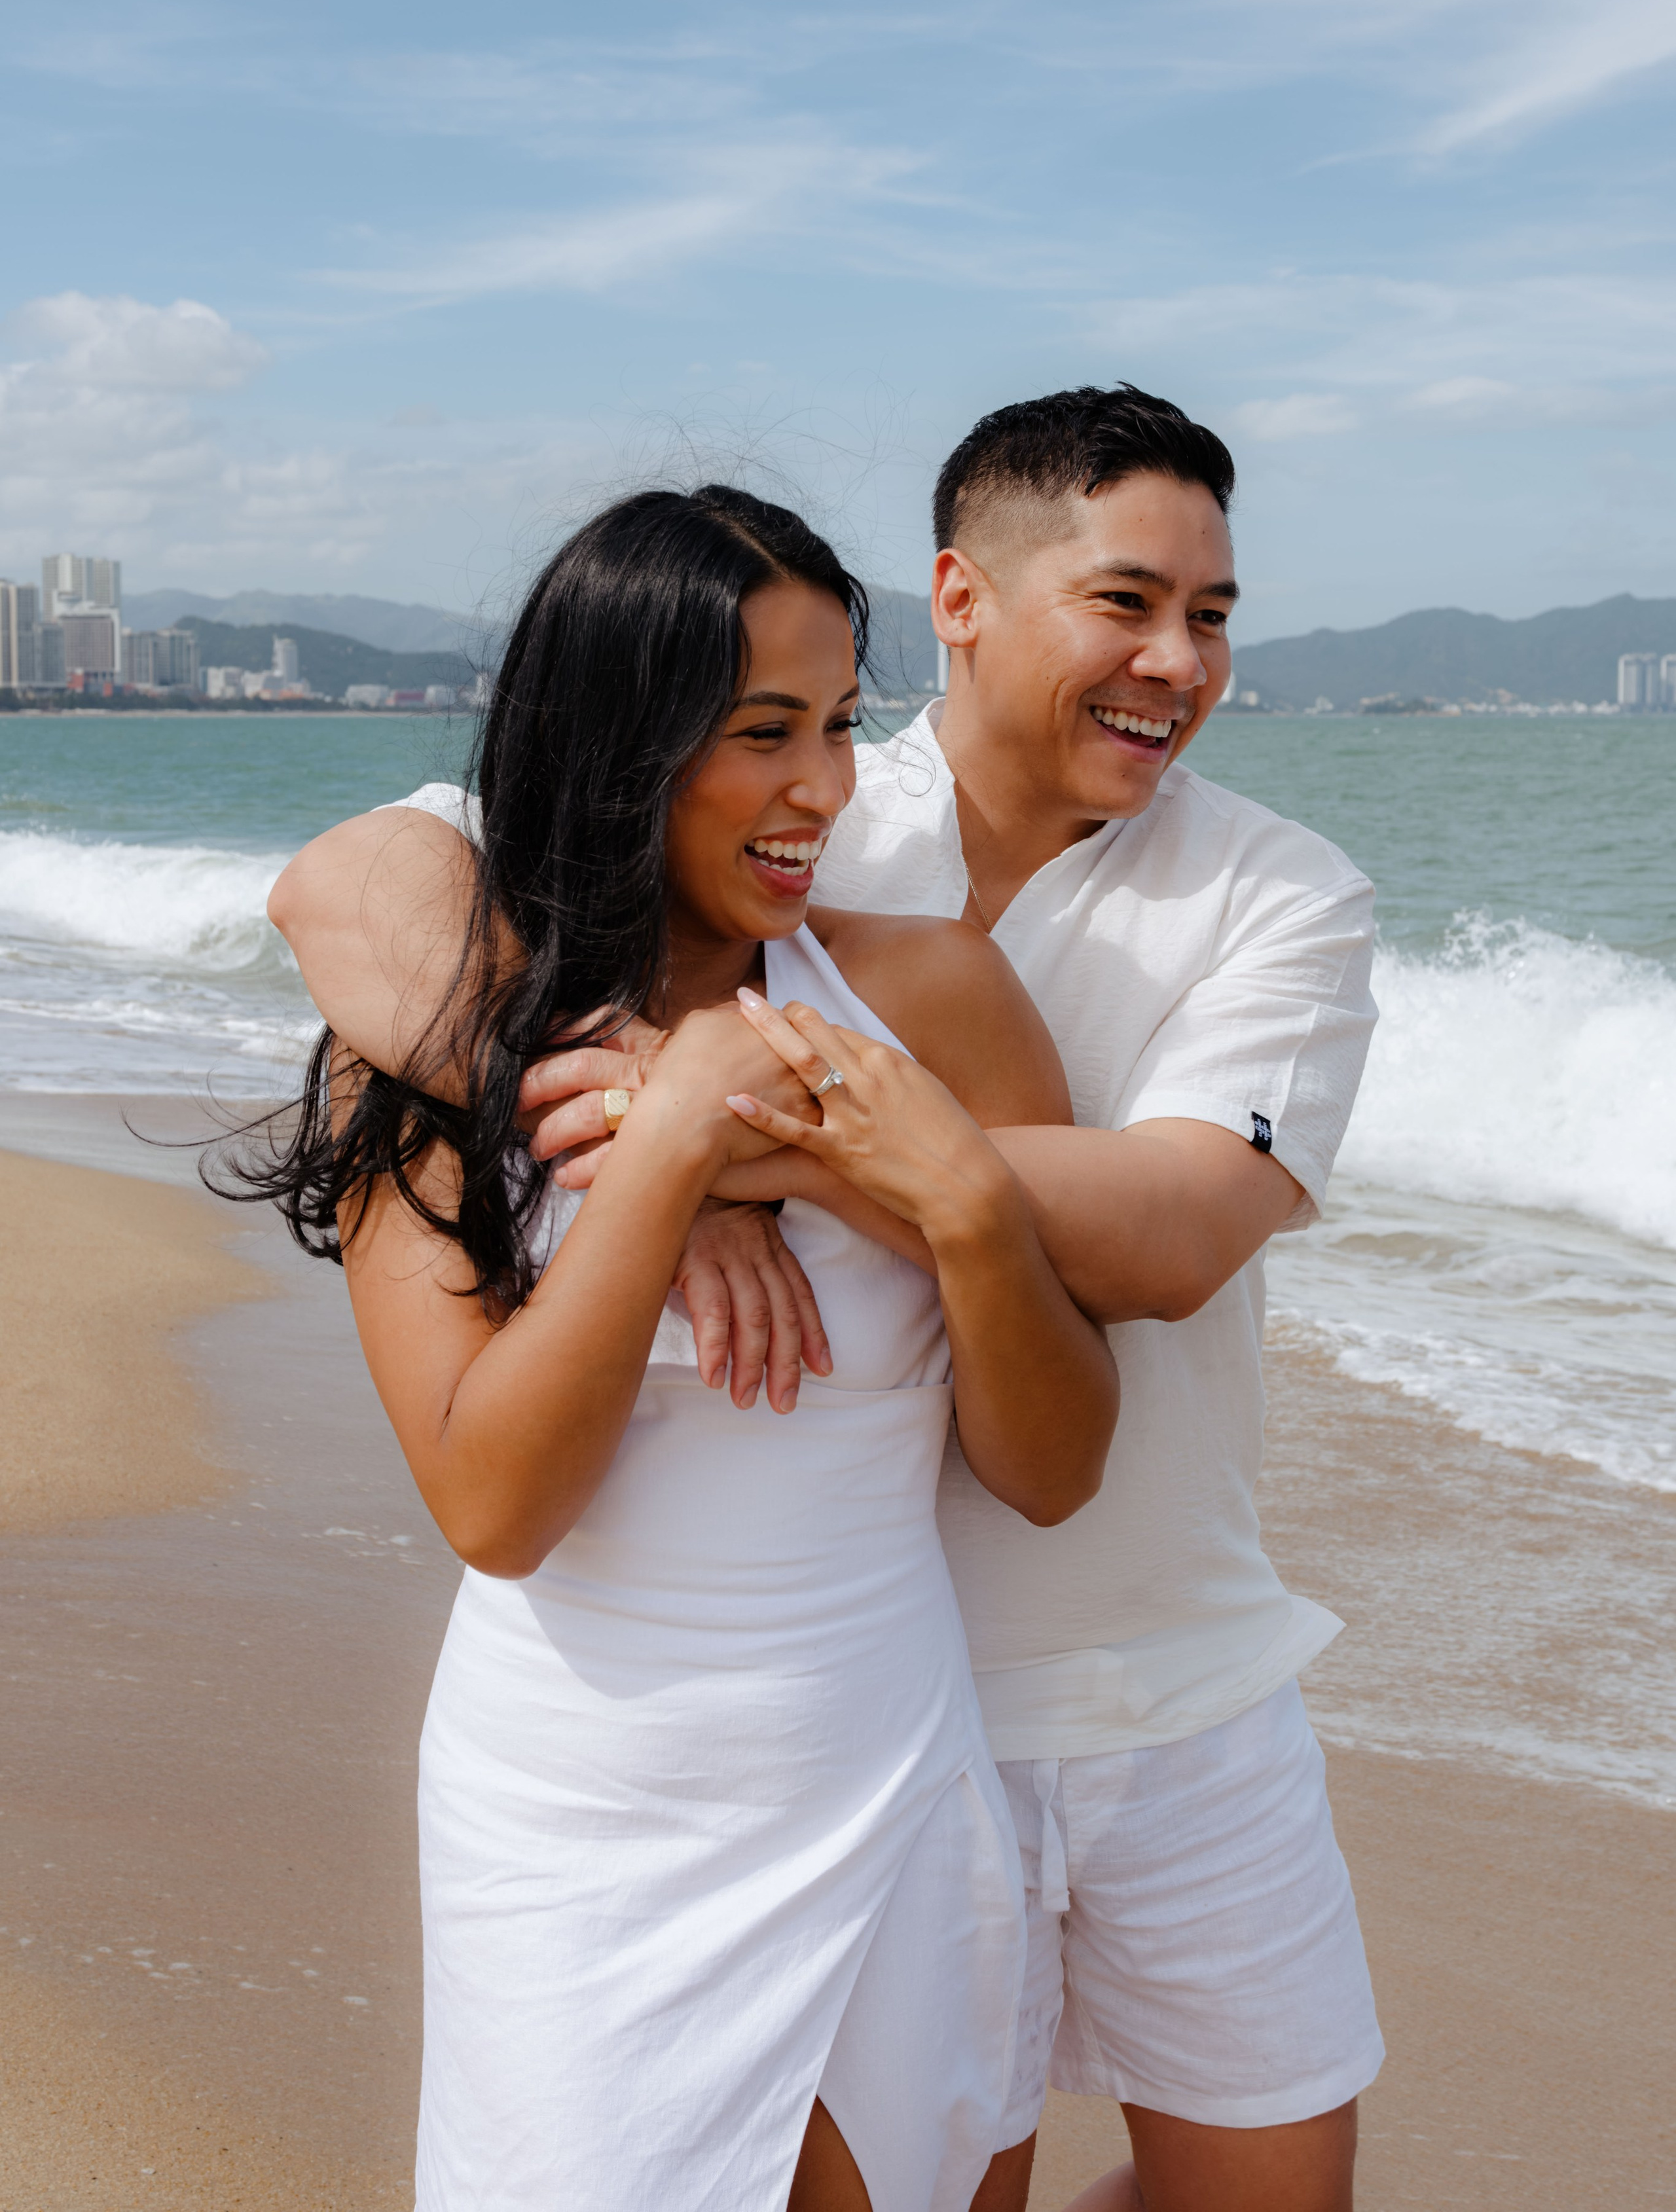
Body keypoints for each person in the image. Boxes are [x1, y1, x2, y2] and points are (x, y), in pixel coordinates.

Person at [275, 386, 1384, 2212]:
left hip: (1096, 1679)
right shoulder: (577, 961)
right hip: (622, 1787)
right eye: (1127, 601)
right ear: (964, 594)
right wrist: (636, 1142)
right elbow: (353, 875)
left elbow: (1171, 1246)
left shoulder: (1189, 915)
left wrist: (840, 1161)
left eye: (1216, 614)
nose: (1178, 659)